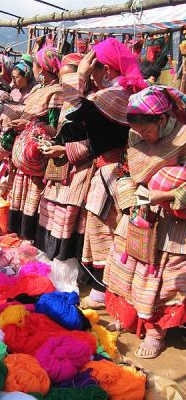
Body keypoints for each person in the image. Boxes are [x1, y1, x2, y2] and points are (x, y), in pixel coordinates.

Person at [58, 39, 147, 309]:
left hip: (110, 172)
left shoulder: (110, 97)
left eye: (95, 67)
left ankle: (108, 289)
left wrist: (80, 75)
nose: (93, 74)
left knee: (104, 229)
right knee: (113, 229)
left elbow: (70, 115)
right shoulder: (124, 94)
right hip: (122, 170)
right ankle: (111, 288)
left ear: (105, 69)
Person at [104, 85, 186, 358]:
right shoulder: (135, 137)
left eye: (146, 130)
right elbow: (126, 170)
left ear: (162, 119)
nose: (142, 136)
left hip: (173, 222)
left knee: (161, 277)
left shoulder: (183, 138)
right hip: (140, 214)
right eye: (137, 131)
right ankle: (130, 318)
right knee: (129, 270)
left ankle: (155, 332)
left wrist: (166, 195)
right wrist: (128, 200)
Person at [35, 52, 89, 260]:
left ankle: (65, 263)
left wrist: (65, 150)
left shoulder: (89, 102)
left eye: (70, 78)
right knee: (51, 210)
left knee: (68, 216)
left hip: (80, 168)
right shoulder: (68, 100)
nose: (66, 83)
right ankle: (52, 258)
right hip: (60, 166)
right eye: (63, 78)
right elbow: (61, 130)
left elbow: (96, 143)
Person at [8, 46, 63, 240]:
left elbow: (55, 126)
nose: (35, 69)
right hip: (26, 152)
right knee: (21, 193)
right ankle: (19, 232)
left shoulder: (56, 92)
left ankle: (29, 234)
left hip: (37, 153)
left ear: (43, 67)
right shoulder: (40, 89)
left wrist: (31, 124)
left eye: (37, 65)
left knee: (33, 194)